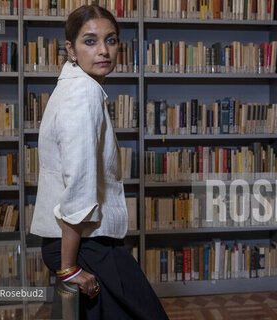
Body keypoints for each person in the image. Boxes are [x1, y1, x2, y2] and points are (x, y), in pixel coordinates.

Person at [30, 5, 169, 319]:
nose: (104, 50)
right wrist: (68, 267)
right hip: (83, 245)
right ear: (71, 49)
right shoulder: (83, 94)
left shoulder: (73, 87)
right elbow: (79, 183)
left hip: (76, 241)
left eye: (112, 40)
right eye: (90, 41)